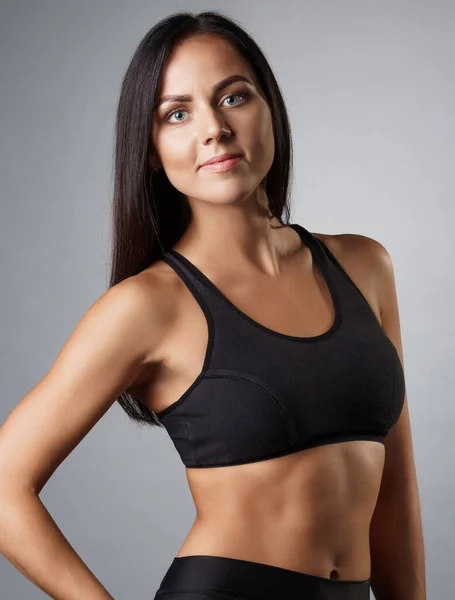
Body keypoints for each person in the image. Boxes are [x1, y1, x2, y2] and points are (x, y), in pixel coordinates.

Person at [0, 10, 426, 600]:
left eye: (234, 98)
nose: (214, 130)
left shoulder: (364, 266)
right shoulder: (148, 306)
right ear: (151, 150)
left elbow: (396, 492)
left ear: (269, 108)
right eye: (177, 114)